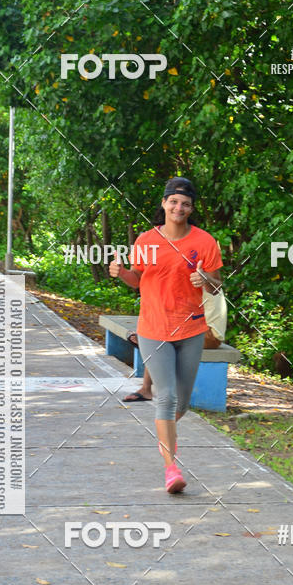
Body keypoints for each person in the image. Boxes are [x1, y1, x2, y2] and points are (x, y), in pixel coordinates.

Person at [110, 177, 223, 493]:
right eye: (173, 201)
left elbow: (216, 285)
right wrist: (122, 274)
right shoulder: (146, 240)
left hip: (191, 329)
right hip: (154, 329)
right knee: (167, 396)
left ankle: (166, 441)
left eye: (185, 204)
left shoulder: (205, 242)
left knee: (182, 404)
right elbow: (138, 280)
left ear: (191, 208)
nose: (179, 207)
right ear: (164, 204)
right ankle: (171, 468)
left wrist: (205, 279)